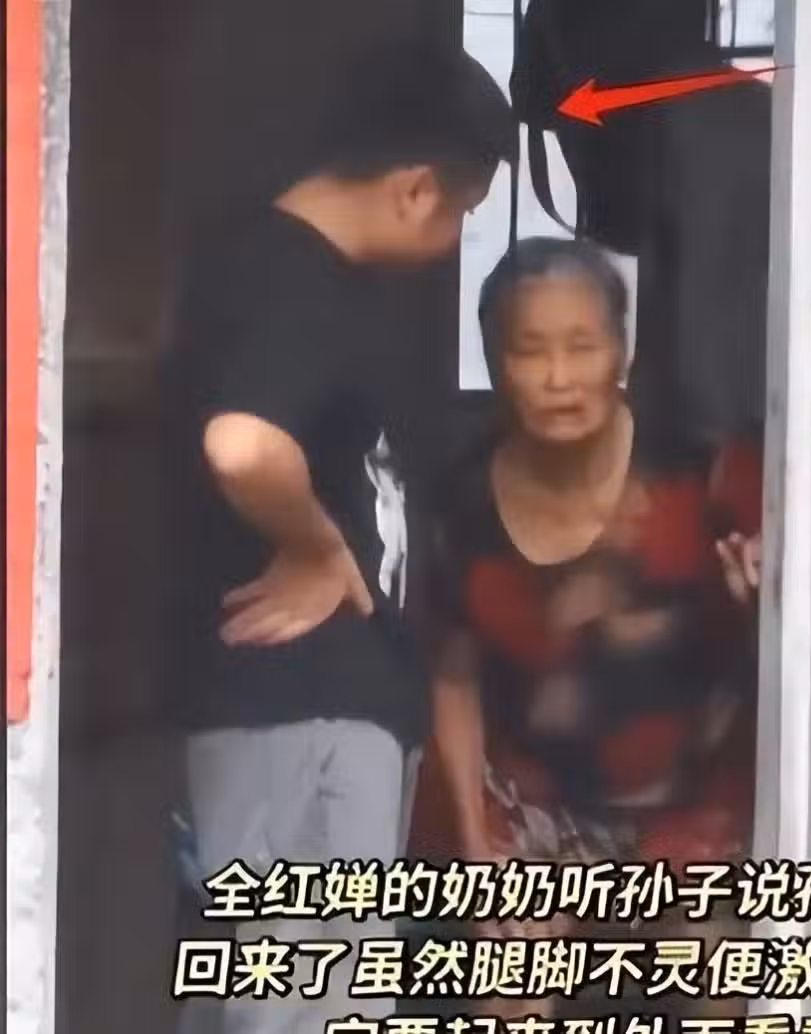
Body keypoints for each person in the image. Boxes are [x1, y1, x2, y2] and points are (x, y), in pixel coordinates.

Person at [161, 41, 515, 1034]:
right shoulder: (291, 278)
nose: (453, 237)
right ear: (415, 189)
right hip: (301, 713)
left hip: (307, 719)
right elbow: (242, 444)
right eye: (461, 213)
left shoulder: (287, 273)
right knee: (305, 1010)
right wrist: (319, 547)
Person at [428, 236, 763, 1020]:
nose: (558, 377)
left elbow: (788, 633)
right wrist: (477, 851)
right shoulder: (460, 503)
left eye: (581, 347)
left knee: (725, 977)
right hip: (538, 813)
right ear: (495, 362)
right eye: (530, 350)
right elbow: (452, 675)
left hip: (695, 812)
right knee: (506, 986)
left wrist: (765, 601)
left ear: (622, 349)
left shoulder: (703, 477)